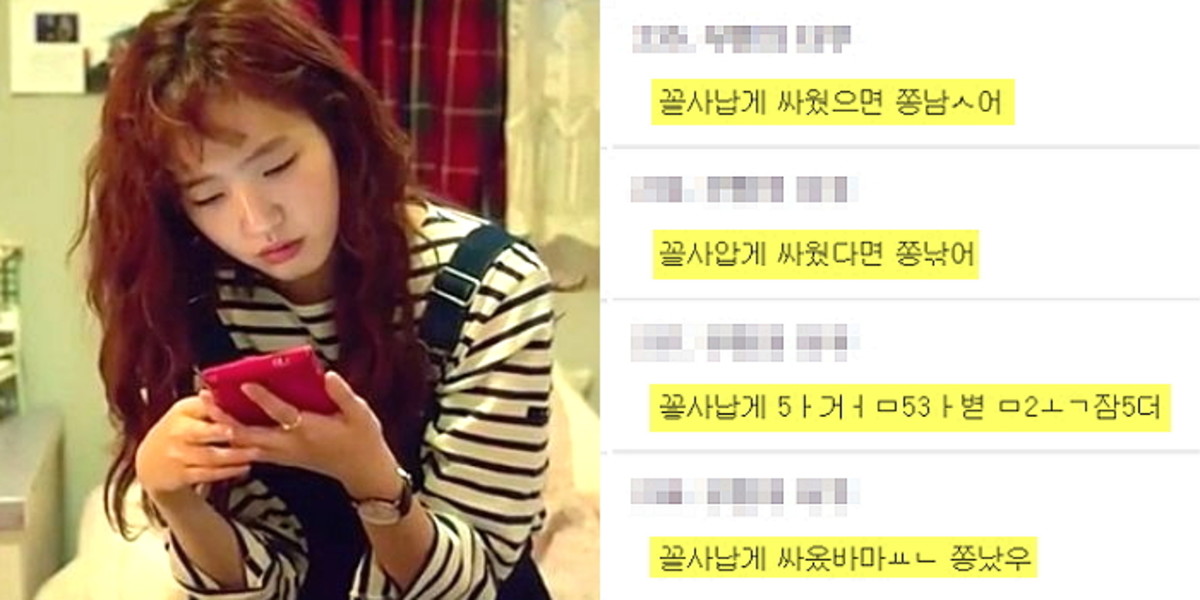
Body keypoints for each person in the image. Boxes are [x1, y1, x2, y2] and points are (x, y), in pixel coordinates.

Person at [71, 1, 555, 598]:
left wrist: (370, 480)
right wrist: (175, 498)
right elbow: (267, 576)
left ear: (338, 129)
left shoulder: (491, 284)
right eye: (208, 197)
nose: (257, 221)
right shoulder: (194, 298)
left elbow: (476, 579)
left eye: (277, 166)